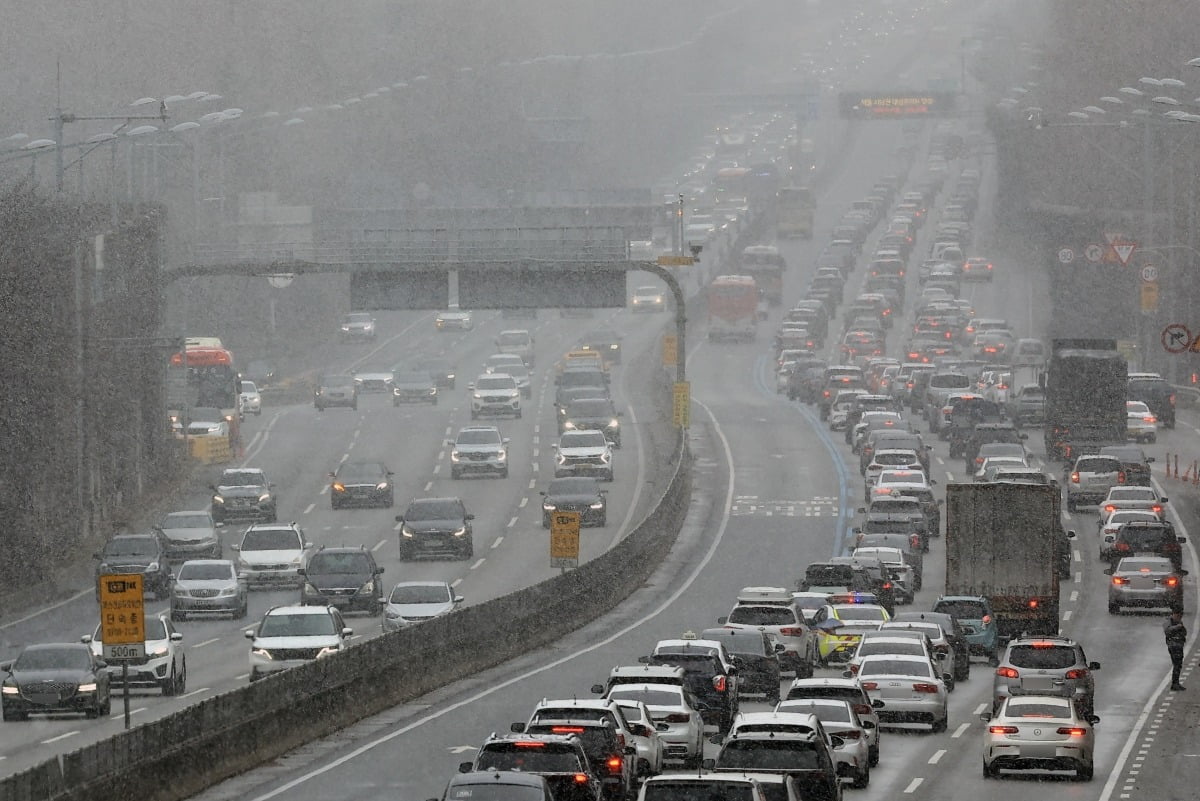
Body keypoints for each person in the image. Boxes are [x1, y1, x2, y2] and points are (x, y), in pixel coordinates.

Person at [1164, 610, 1187, 691]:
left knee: (1178, 664)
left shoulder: (1179, 622)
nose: (1179, 618)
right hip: (1173, 646)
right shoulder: (1169, 621)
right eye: (1177, 616)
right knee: (1177, 664)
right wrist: (1178, 627)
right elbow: (1167, 631)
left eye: (1180, 616)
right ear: (1173, 614)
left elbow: (1184, 632)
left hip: (1178, 645)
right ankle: (1175, 683)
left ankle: (1176, 682)